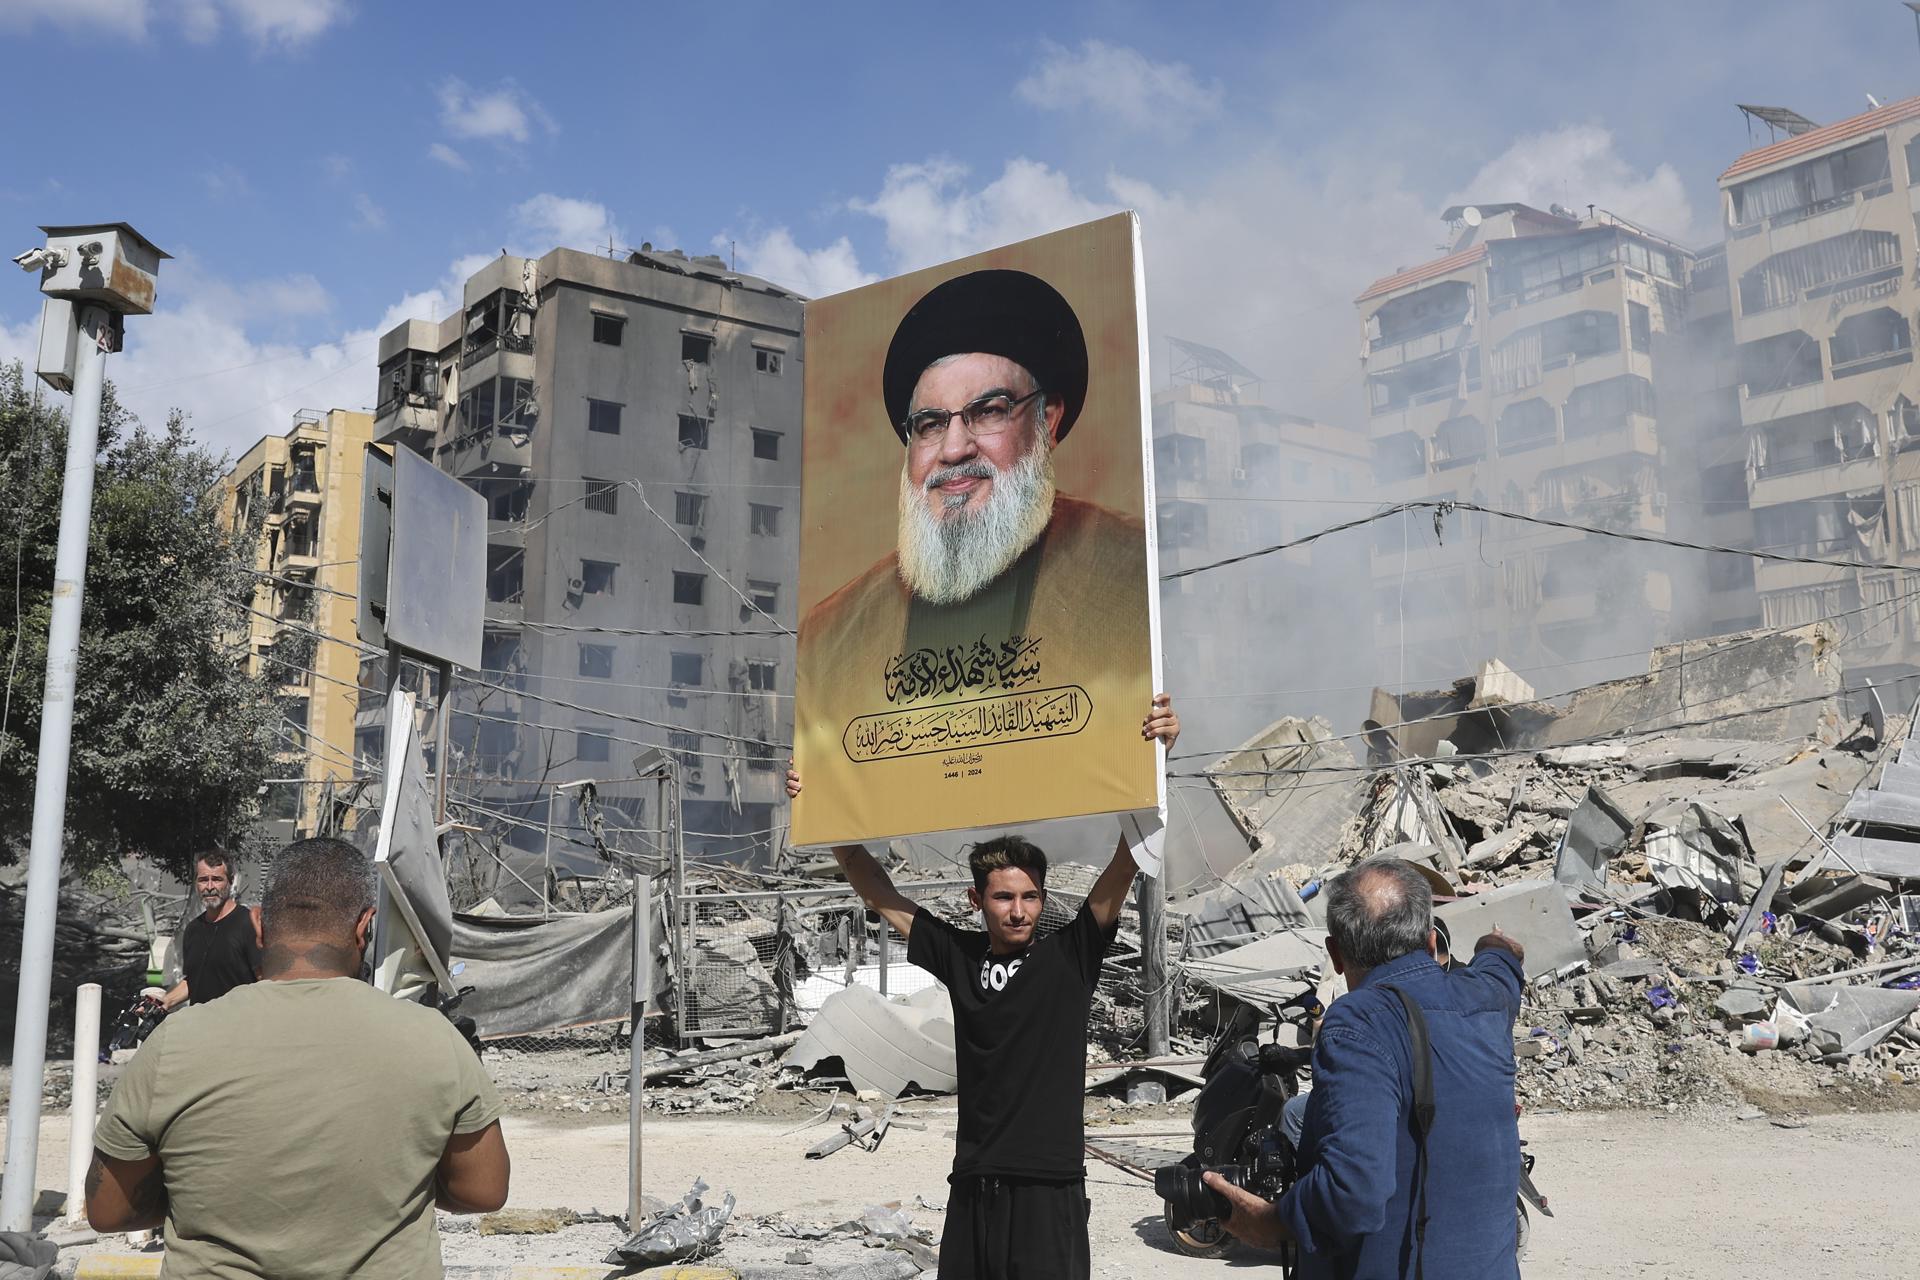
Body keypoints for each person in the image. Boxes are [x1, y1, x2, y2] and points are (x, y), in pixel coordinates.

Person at [787, 694, 1179, 1280]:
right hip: (974, 1181)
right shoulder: (960, 957)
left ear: (1043, 900)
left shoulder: (1069, 956)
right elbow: (878, 890)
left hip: (1050, 1185)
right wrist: (821, 810)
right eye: (1003, 897)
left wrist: (1158, 760)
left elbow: (1125, 864)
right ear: (977, 900)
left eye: (1029, 897)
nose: (1018, 911)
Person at [87, 837, 509, 1278]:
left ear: (261, 929)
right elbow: (483, 1191)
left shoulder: (172, 1046)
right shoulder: (434, 1039)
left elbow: (109, 1210)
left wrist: (197, 1193)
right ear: (365, 926)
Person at [796, 269, 1148, 728]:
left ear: (1048, 420)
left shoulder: (1131, 570)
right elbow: (838, 773)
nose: (954, 449)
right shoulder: (828, 639)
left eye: (988, 412)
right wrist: (811, 785)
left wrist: (1159, 730)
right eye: (931, 424)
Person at [1206, 856, 1526, 1279]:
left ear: (1335, 955)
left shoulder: (1357, 1022)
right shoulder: (1487, 997)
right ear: (1432, 943)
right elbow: (1503, 966)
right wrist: (1496, 946)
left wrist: (1273, 1222)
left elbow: (1354, 1189)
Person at [159, 848, 260, 1010]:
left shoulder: (248, 924)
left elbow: (265, 981)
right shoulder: (192, 930)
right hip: (200, 1028)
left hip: (239, 1028)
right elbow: (194, 981)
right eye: (203, 880)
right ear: (196, 883)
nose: (210, 886)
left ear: (230, 881)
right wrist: (165, 1002)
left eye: (217, 879)